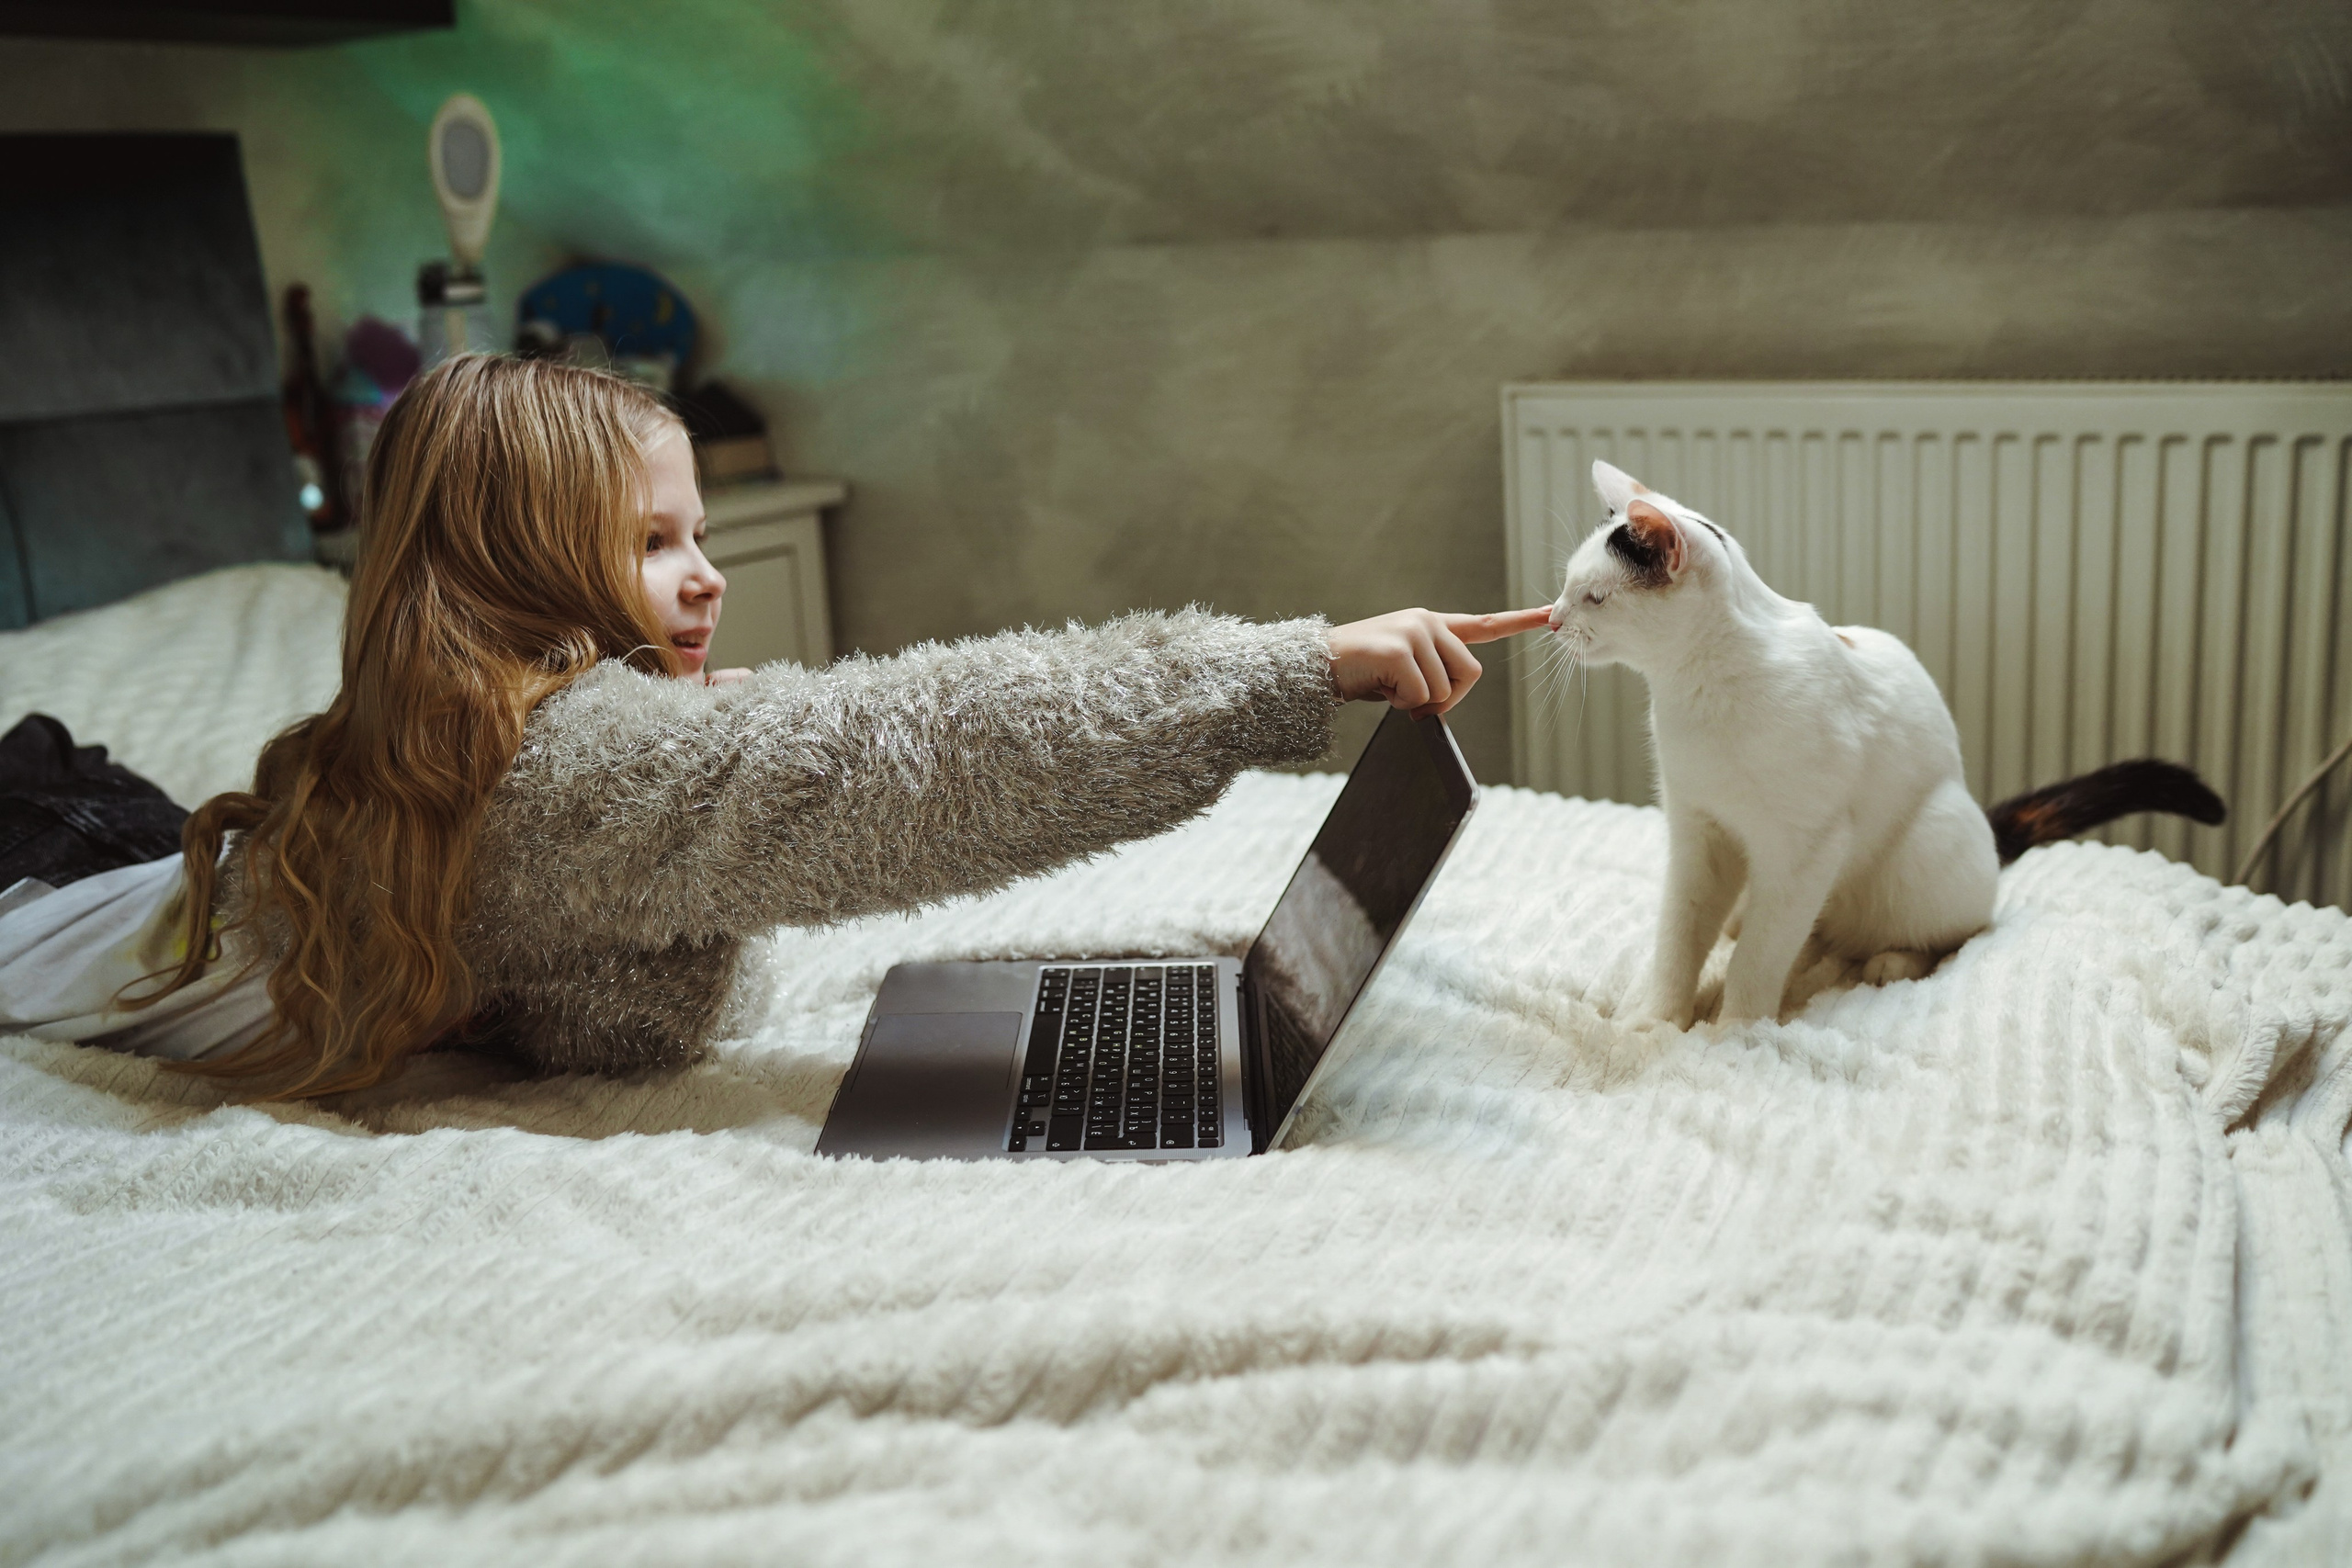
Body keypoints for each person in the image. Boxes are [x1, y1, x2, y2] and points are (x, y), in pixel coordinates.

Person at [0, 355, 1547, 1099]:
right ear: (524, 562)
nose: (708, 576)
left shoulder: (521, 750)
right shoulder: (561, 773)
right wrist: (1295, 670)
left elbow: (624, 1031)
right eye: (656, 540)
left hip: (152, 867)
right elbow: (936, 747)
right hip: (50, 886)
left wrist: (694, 815)